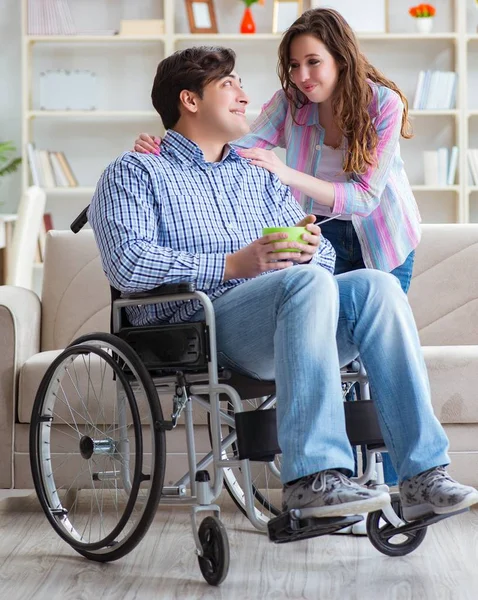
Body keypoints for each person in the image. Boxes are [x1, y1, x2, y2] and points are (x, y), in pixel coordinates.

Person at [89, 45, 478, 524]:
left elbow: (326, 257)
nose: (243, 93)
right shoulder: (135, 172)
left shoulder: (259, 174)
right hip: (204, 328)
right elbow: (129, 264)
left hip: (294, 317)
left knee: (376, 286)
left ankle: (421, 477)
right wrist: (233, 265)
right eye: (228, 83)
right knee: (305, 284)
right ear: (189, 100)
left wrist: (313, 248)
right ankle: (315, 479)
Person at [133, 8, 419, 489]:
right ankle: (330, 479)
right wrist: (167, 145)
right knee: (323, 329)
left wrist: (285, 175)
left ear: (342, 59)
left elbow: (365, 198)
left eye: (313, 63)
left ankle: (400, 484)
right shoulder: (291, 102)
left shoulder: (383, 104)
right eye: (293, 65)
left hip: (378, 234)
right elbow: (238, 144)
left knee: (374, 338)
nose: (302, 77)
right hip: (313, 233)